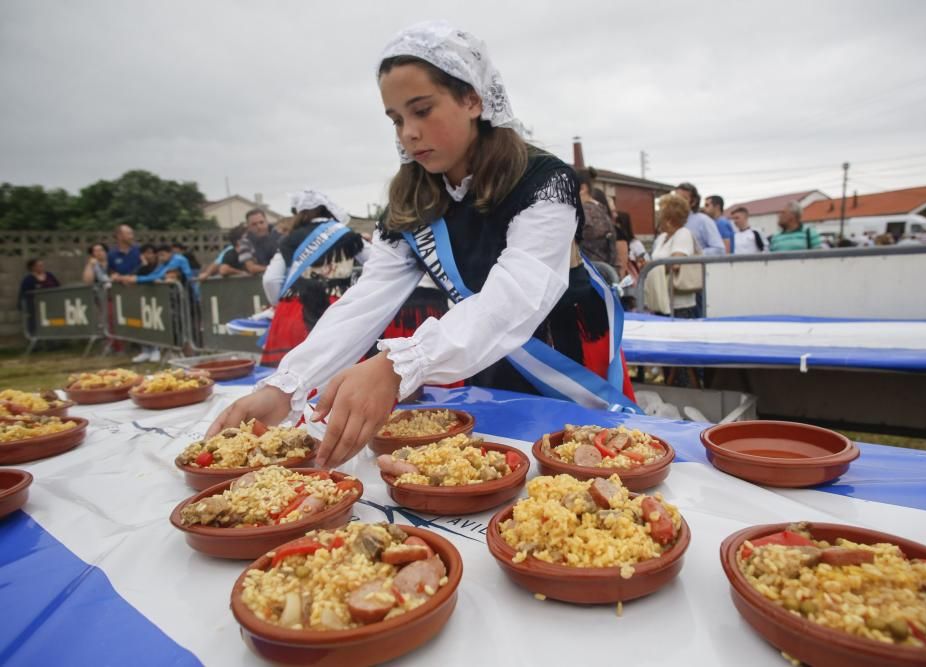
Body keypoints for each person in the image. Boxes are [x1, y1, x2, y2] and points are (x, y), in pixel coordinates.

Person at [208, 20, 637, 469]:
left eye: (422, 110)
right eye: (396, 119)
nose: (408, 132)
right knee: (500, 472)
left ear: (472, 99)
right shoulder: (414, 196)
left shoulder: (542, 181)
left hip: (564, 354)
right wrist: (287, 385)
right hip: (478, 351)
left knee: (586, 467)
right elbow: (366, 300)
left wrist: (397, 366)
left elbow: (518, 295)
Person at [260, 190, 366, 366]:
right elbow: (375, 263)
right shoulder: (346, 235)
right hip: (337, 309)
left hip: (294, 311)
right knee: (337, 374)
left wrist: (277, 304)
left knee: (288, 379)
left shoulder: (290, 239)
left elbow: (270, 280)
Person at [644, 195, 698, 317]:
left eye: (660, 213)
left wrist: (651, 268)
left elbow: (675, 264)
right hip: (662, 300)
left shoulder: (683, 234)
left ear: (668, 218)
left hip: (679, 305)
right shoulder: (662, 237)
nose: (657, 215)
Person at [577, 169, 617, 266]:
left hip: (591, 271)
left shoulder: (586, 212)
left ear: (583, 189)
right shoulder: (600, 209)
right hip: (604, 271)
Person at [673, 182, 725, 256]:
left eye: (683, 199)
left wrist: (695, 254)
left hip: (696, 266)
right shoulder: (670, 222)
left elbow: (719, 250)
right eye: (675, 198)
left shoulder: (703, 221)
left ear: (693, 202)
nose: (677, 202)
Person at [18, 259, 60, 335]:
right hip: (36, 308)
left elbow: (58, 286)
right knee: (36, 325)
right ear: (33, 267)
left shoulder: (49, 275)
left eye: (42, 265)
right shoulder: (28, 280)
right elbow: (24, 294)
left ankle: (55, 340)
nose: (42, 267)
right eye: (39, 265)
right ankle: (37, 341)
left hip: (52, 306)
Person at [237, 209, 281, 274]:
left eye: (261, 222)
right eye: (254, 224)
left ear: (267, 222)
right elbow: (251, 268)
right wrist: (274, 269)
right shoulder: (245, 242)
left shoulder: (280, 233)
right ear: (248, 226)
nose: (259, 226)